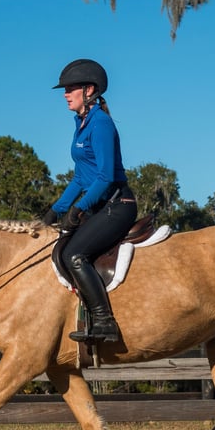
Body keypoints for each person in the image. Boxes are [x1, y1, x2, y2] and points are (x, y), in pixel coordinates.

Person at [42, 59, 137, 343]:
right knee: (60, 250)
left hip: (118, 206)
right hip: (100, 207)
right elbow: (81, 179)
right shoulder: (81, 124)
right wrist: (54, 211)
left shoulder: (102, 124)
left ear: (89, 90)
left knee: (74, 255)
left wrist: (79, 209)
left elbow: (105, 177)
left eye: (70, 89)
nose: (65, 94)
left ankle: (105, 323)